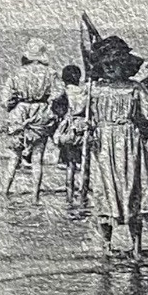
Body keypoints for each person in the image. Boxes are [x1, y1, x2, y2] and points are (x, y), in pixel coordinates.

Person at [83, 36, 148, 259]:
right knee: (105, 192)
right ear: (101, 65)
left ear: (125, 65)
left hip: (130, 145)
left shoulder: (136, 88)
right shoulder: (93, 89)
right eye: (107, 64)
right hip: (103, 146)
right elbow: (78, 116)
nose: (112, 68)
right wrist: (82, 126)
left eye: (116, 64)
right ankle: (106, 244)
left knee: (133, 189)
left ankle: (136, 246)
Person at [2, 37, 64, 202]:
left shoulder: (16, 73)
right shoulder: (50, 73)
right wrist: (48, 101)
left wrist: (15, 106)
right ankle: (35, 196)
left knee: (14, 157)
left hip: (20, 112)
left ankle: (5, 192)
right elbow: (59, 93)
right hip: (41, 113)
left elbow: (6, 100)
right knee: (37, 158)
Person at [53, 64, 89, 202]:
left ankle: (69, 195)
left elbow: (57, 109)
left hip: (69, 128)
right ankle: (83, 193)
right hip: (83, 127)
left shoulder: (65, 92)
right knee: (85, 162)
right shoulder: (85, 91)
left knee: (70, 164)